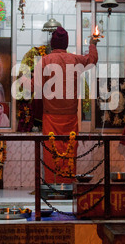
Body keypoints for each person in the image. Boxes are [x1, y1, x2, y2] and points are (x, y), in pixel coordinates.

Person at [33, 27, 98, 183]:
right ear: (66, 43)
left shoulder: (44, 61)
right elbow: (91, 60)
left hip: (50, 116)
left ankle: (52, 186)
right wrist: (93, 44)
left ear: (52, 43)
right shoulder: (75, 60)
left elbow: (35, 87)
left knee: (51, 154)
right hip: (70, 118)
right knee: (69, 151)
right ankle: (67, 186)